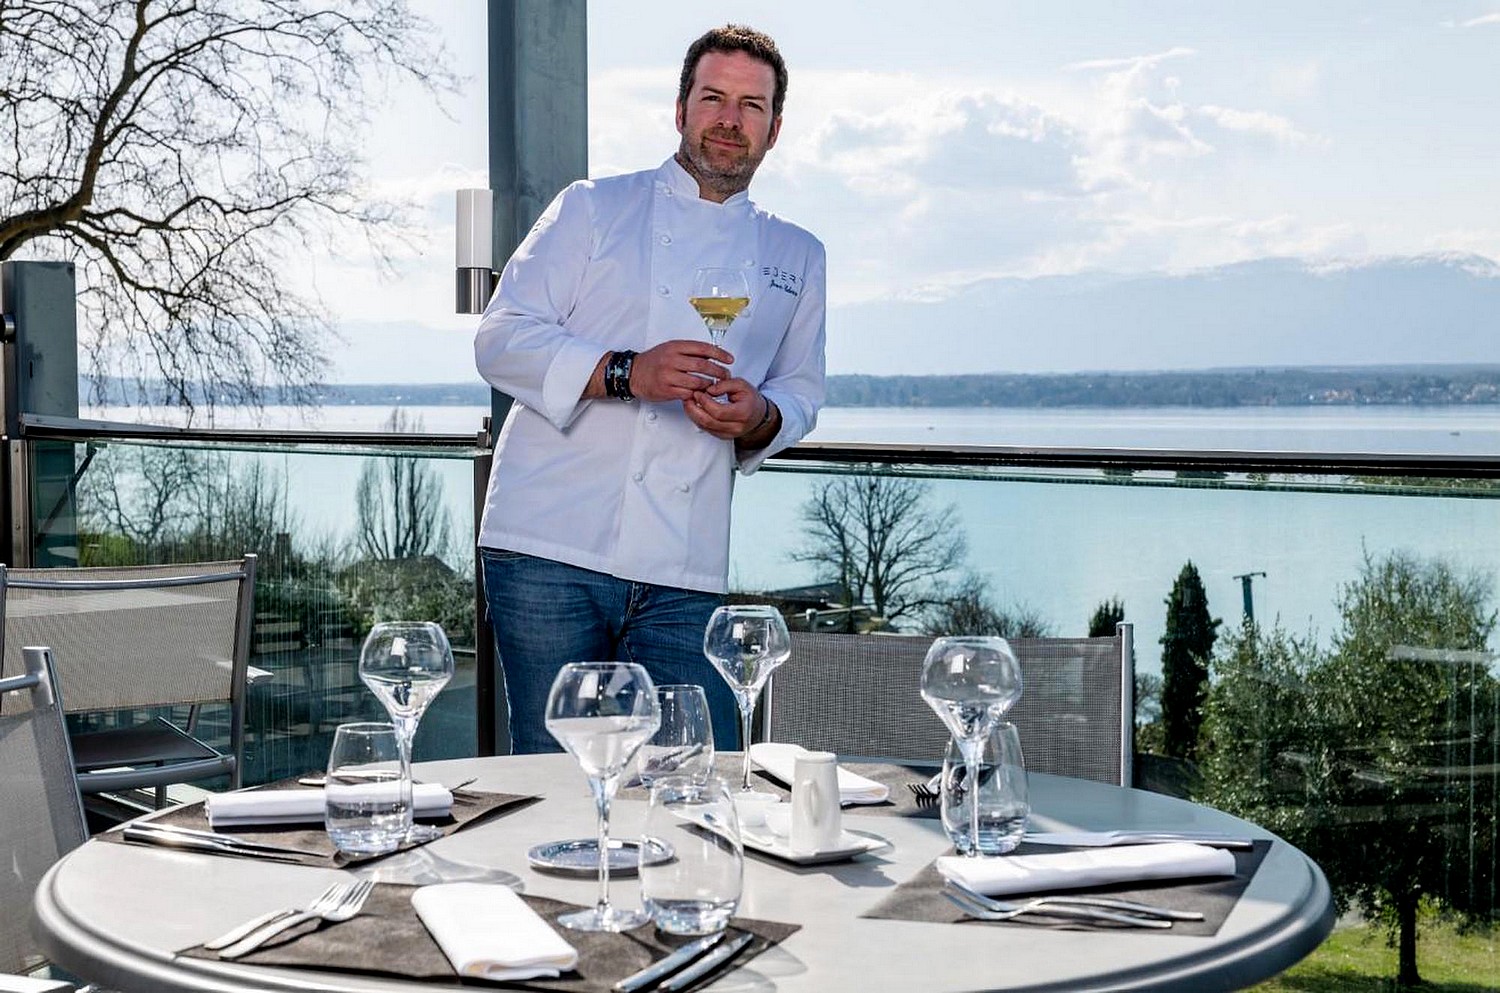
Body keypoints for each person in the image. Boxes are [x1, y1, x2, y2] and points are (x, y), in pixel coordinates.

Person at [474, 24, 827, 753]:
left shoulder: (799, 254)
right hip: (547, 546)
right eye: (713, 98)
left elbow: (800, 392)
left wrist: (759, 414)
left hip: (684, 562)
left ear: (775, 128)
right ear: (680, 109)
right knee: (560, 784)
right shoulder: (592, 209)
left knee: (699, 773)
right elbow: (500, 338)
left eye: (751, 106)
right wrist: (629, 371)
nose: (730, 120)